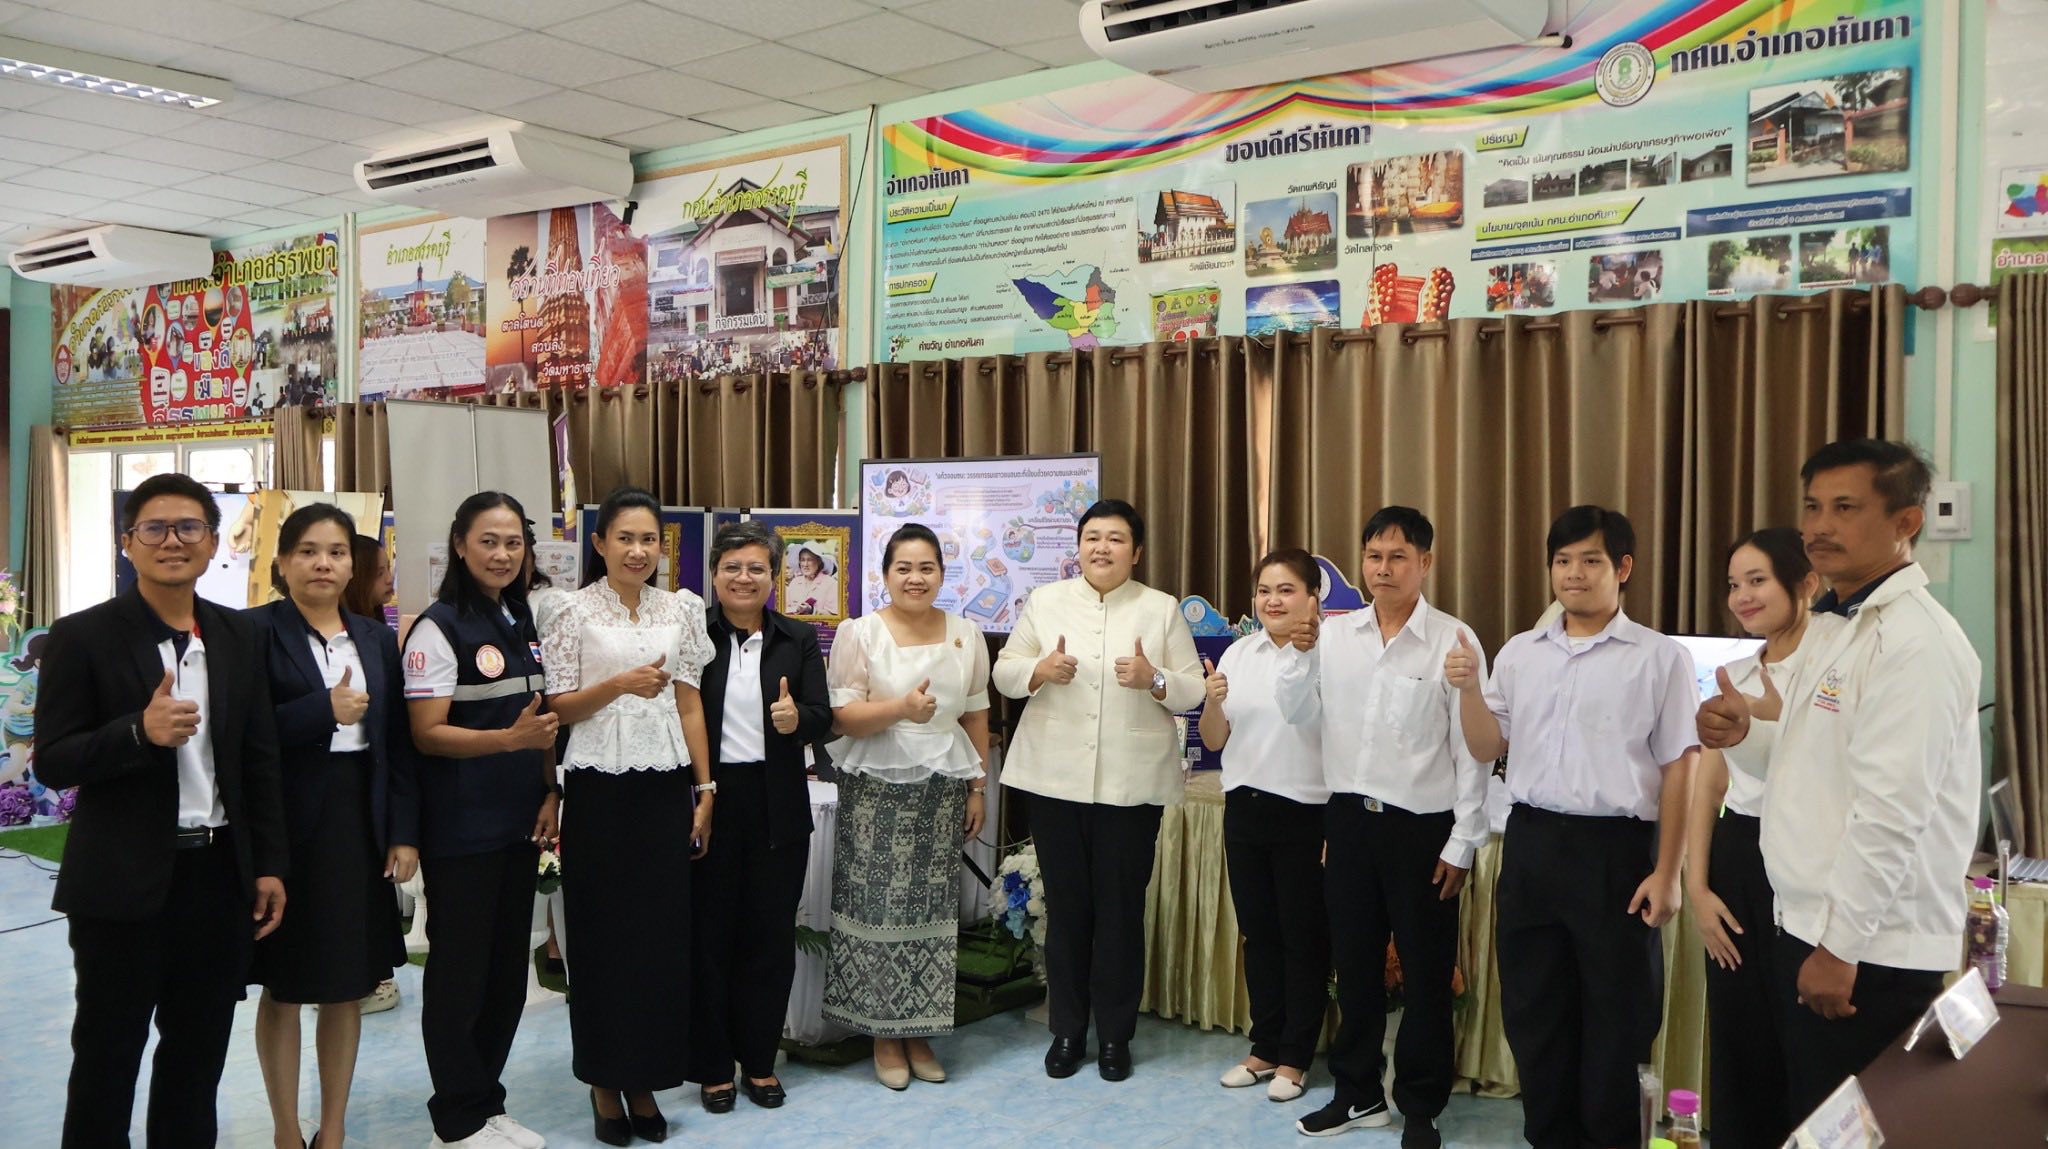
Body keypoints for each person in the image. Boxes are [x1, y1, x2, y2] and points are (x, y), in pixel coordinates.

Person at [1698, 440, 1980, 1120]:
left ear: (1906, 522)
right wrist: (1745, 735)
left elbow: (1892, 811)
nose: (1819, 526)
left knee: (1844, 1126)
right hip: (1807, 923)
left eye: (1845, 508)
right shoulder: (1833, 625)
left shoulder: (1914, 642)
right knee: (1798, 1114)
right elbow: (1810, 763)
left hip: (1866, 949)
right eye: (1813, 507)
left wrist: (1840, 948)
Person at [36, 472, 289, 1148]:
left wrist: (267, 864)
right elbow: (53, 759)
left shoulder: (238, 635)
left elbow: (258, 760)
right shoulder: (82, 636)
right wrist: (136, 732)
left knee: (197, 1057)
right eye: (154, 528)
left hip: (217, 879)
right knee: (108, 1054)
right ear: (127, 542)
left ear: (214, 543)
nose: (172, 541)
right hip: (120, 884)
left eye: (189, 527)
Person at [1445, 506, 1699, 1149]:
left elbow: (1680, 767)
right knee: (1535, 1012)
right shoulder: (1520, 652)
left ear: (1623, 568)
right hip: (1532, 844)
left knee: (1618, 1018)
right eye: (1562, 561)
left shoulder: (1658, 657)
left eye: (1590, 560)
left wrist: (1668, 872)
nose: (1574, 573)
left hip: (1616, 852)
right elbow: (1486, 746)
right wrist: (1469, 689)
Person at [1277, 510, 1488, 1148]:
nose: (1383, 568)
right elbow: (1297, 713)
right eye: (1374, 556)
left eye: (1398, 557)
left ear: (1426, 562)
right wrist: (1299, 656)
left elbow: (1472, 753)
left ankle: (1421, 1106)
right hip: (1348, 821)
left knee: (1425, 975)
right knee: (1355, 968)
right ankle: (1358, 1093)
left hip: (1423, 829)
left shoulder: (1453, 640)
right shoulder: (1335, 634)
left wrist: (1463, 842)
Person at [992, 499, 1203, 1082]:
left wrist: (1154, 679)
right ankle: (1067, 1030)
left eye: (1115, 538)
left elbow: (1192, 689)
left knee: (1120, 912)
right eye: (1092, 537)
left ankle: (1114, 1036)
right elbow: (1004, 671)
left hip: (1132, 786)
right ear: (1078, 547)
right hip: (1053, 780)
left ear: (1136, 552)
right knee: (1067, 911)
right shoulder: (1045, 601)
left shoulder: (1160, 608)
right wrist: (1039, 671)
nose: (1101, 547)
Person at [541, 487, 716, 1146]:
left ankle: (643, 1079)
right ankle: (603, 1080)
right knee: (600, 938)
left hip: (664, 786)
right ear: (599, 543)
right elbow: (558, 707)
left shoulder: (682, 608)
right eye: (625, 538)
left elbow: (690, 704)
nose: (638, 550)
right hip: (597, 789)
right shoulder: (571, 609)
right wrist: (617, 684)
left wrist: (705, 790)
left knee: (658, 942)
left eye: (649, 539)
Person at [247, 504, 417, 1149]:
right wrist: (321, 709)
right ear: (283, 561)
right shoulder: (253, 632)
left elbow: (397, 743)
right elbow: (241, 734)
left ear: (353, 565)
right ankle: (285, 1131)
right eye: (309, 551)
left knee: (348, 984)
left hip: (357, 825)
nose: (324, 564)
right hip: (284, 827)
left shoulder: (374, 638)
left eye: (337, 552)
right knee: (285, 986)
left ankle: (335, 1129)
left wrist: (403, 830)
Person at [403, 492, 561, 1149]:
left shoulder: (519, 618)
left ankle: (485, 1102)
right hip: (461, 830)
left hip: (518, 826)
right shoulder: (438, 627)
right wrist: (506, 742)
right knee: (459, 977)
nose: (502, 554)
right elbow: (426, 733)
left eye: (513, 542)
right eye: (489, 541)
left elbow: (540, 719)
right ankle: (456, 1119)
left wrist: (549, 791)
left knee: (504, 977)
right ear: (460, 545)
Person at [820, 524, 991, 1088]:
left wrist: (977, 787)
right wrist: (901, 709)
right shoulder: (860, 633)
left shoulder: (966, 633)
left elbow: (975, 714)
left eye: (927, 568)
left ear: (942, 573)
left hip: (943, 787)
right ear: (885, 575)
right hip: (877, 785)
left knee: (932, 911)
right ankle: (883, 1035)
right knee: (877, 909)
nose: (916, 579)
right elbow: (842, 718)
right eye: (904, 568)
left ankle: (918, 1029)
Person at [1687, 528, 1833, 1149]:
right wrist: (1697, 888)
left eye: (1757, 581)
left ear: (1806, 583)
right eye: (1733, 584)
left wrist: (1774, 723)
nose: (1742, 596)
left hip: (1808, 853)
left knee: (1806, 1040)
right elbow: (1709, 784)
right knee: (1740, 1035)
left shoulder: (1832, 665)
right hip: (1739, 856)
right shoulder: (1736, 673)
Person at [689, 521, 833, 1113]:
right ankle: (712, 1065)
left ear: (773, 577)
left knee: (769, 939)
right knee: (710, 937)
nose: (744, 578)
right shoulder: (695, 634)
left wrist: (797, 720)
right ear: (714, 575)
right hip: (709, 799)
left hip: (777, 804)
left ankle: (759, 1061)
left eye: (756, 568)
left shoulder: (797, 637)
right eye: (732, 567)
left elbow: (824, 714)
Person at [1195, 550, 1329, 1105]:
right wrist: (1211, 701)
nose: (1273, 601)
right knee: (1260, 935)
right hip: (1244, 807)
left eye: (1286, 590)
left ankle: (1296, 1058)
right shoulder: (1238, 652)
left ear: (1313, 599)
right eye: (1265, 591)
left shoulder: (1330, 653)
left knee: (1303, 939)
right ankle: (1264, 1047)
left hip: (1306, 808)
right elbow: (1215, 739)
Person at [783, 546, 838, 618]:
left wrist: (812, 610)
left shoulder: (831, 584)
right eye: (802, 560)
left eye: (809, 560)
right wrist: (795, 609)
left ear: (819, 562)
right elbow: (784, 609)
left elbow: (833, 616)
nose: (805, 564)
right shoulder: (795, 582)